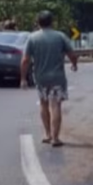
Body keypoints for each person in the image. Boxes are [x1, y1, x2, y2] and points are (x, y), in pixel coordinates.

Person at [20, 11, 78, 147]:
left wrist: (23, 78)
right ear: (52, 22)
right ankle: (55, 138)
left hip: (40, 78)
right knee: (55, 105)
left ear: (38, 22)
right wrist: (74, 64)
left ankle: (47, 134)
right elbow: (72, 54)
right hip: (57, 77)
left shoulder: (32, 38)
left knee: (43, 104)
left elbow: (25, 60)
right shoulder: (60, 36)